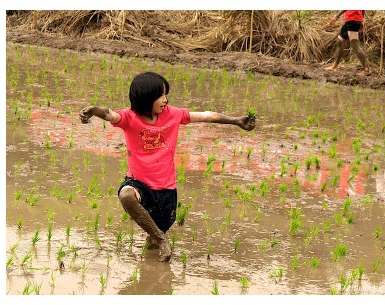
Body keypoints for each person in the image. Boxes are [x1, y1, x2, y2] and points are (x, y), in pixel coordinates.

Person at [79, 72, 255, 262]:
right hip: (139, 184)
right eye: (161, 95)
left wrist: (236, 121)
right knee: (126, 195)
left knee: (154, 252)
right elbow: (110, 114)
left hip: (166, 192)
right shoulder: (130, 118)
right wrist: (94, 111)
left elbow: (207, 116)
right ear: (146, 98)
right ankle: (162, 239)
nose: (165, 99)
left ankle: (154, 258)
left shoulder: (173, 114)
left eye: (166, 94)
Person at [324, 10, 371, 76]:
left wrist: (336, 16)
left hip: (352, 20)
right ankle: (334, 67)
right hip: (351, 20)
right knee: (339, 41)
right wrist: (362, 19)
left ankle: (366, 70)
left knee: (355, 44)